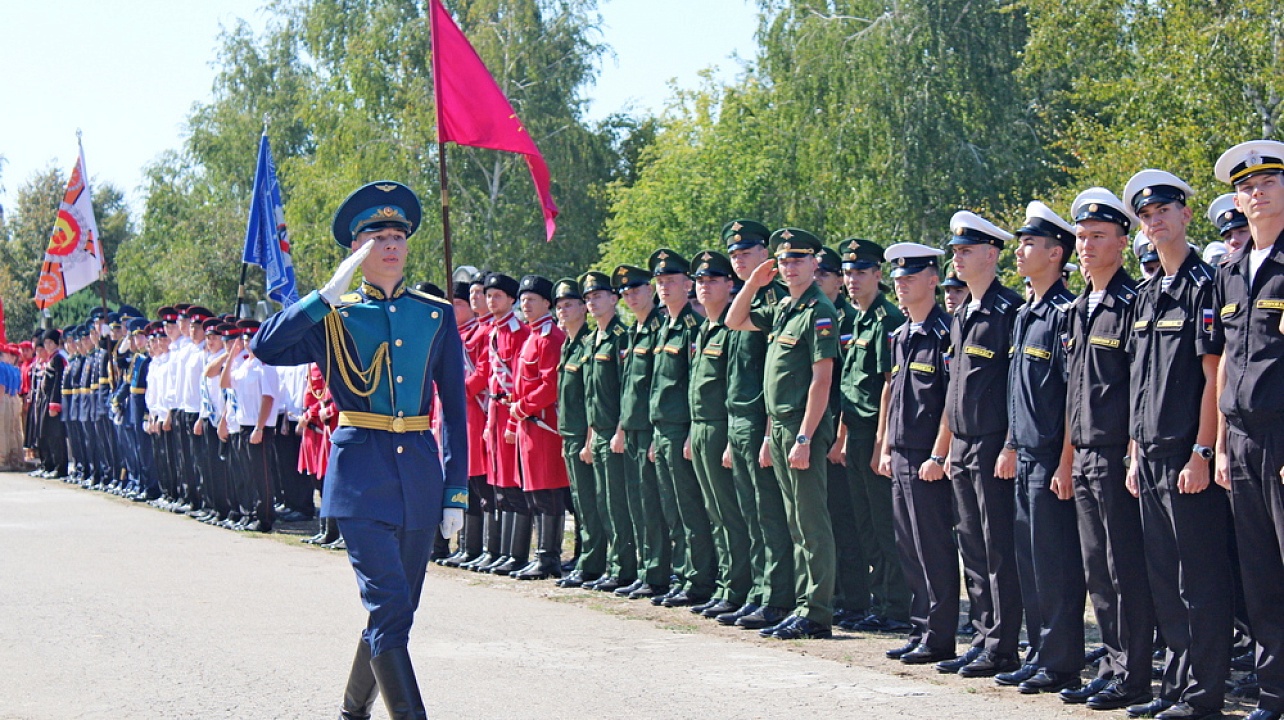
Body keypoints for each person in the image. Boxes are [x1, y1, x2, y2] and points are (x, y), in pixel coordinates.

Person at [252, 180, 467, 720]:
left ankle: (352, 712)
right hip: (359, 480)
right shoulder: (333, 314)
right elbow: (265, 347)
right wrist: (321, 297)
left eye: (398, 237)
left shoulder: (434, 314)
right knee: (389, 606)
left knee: (396, 613)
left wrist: (455, 490)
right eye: (377, 238)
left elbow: (455, 411)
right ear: (356, 248)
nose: (391, 246)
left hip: (419, 479)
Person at [1122, 169, 1232, 720]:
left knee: (1199, 580)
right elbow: (1139, 381)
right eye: (1146, 215)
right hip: (1149, 455)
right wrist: (1134, 452)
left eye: (1164, 210)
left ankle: (1204, 694)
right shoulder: (1145, 295)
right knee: (1164, 579)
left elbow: (1214, 376)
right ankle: (1174, 686)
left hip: (1188, 456)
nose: (1155, 220)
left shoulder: (1206, 286)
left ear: (1186, 215)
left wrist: (1202, 451)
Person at [1058, 187, 1157, 711]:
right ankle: (1113, 664)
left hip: (1118, 453)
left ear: (1123, 242)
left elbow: (1140, 386)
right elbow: (1074, 392)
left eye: (1098, 236)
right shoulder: (1079, 309)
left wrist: (1133, 453)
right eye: (1081, 237)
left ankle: (1134, 674)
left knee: (1125, 569)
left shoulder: (1132, 303)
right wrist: (1068, 458)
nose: (1087, 245)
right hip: (1085, 454)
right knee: (1097, 568)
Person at [726, 227, 839, 640]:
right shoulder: (784, 308)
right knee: (794, 523)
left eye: (798, 260)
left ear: (814, 263)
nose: (790, 267)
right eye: (785, 261)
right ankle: (803, 605)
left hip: (801, 427)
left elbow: (821, 381)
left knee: (811, 523)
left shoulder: (818, 310)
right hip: (780, 427)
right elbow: (733, 320)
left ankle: (817, 612)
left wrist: (804, 437)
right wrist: (753, 283)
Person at [1211, 140, 1284, 720]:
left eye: (1267, 183)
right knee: (1258, 573)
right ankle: (1274, 691)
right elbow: (1225, 362)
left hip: (1282, 436)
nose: (1256, 194)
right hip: (1239, 440)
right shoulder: (1231, 273)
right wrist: (1218, 446)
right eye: (1246, 188)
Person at [1001, 201, 1085, 694]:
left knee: (1056, 566)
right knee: (1030, 563)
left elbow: (1073, 395)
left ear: (1056, 253)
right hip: (1025, 454)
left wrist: (1066, 460)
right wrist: (1012, 443)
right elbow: (1019, 390)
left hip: (1052, 458)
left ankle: (1060, 661)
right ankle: (1038, 652)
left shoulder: (1063, 314)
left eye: (1029, 244)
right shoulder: (1025, 313)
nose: (1019, 251)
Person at [873, 242, 959, 665]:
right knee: (908, 546)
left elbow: (950, 400)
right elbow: (893, 394)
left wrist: (939, 455)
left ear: (932, 280)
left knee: (934, 547)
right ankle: (919, 627)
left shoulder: (945, 332)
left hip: (929, 457)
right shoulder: (902, 334)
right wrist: (887, 446)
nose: (901, 286)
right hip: (903, 452)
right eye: (898, 279)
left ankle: (939, 636)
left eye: (910, 278)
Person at [720, 220, 795, 630]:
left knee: (769, 514)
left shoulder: (780, 300)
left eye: (746, 253)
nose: (739, 260)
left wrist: (767, 431)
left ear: (766, 254)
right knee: (750, 513)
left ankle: (778, 597)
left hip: (762, 420)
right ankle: (758, 591)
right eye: (734, 255)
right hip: (739, 420)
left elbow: (776, 377)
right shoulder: (746, 300)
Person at [835, 237, 911, 635]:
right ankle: (878, 601)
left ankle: (896, 606)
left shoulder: (886, 319)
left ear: (878, 275)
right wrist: (844, 436)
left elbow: (889, 386)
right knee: (865, 524)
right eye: (848, 272)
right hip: (858, 431)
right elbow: (850, 386)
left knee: (884, 524)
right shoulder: (859, 320)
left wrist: (881, 443)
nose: (853, 279)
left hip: (876, 433)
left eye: (861, 272)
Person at [688, 250, 752, 618]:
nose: (705, 286)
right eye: (700, 280)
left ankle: (739, 588)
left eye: (713, 280)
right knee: (715, 513)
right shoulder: (704, 329)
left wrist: (728, 438)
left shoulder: (733, 328)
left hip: (722, 429)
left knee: (731, 513)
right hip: (700, 428)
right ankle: (727, 584)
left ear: (731, 285)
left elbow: (734, 386)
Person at [507, 274, 570, 580]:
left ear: (547, 303)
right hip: (529, 426)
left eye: (532, 300)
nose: (526, 305)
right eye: (523, 300)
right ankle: (542, 554)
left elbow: (550, 385)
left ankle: (549, 557)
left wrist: (521, 407)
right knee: (534, 493)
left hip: (543, 425)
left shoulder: (550, 337)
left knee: (548, 493)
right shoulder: (533, 336)